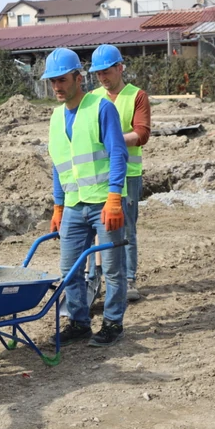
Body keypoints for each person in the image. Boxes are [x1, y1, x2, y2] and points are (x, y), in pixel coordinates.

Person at [44, 48, 129, 347]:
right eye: (53, 81)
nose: (57, 87)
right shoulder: (56, 117)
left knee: (113, 269)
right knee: (69, 270)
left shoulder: (101, 108)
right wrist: (57, 206)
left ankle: (112, 323)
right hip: (73, 204)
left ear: (78, 78)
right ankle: (79, 322)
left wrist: (115, 197)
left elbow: (118, 154)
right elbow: (59, 164)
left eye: (62, 80)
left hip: (104, 202)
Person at [89, 45, 151, 301]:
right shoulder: (92, 97)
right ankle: (93, 278)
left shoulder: (136, 96)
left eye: (106, 72)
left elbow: (142, 133)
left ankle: (128, 279)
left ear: (120, 68)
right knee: (96, 228)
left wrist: (113, 140)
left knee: (126, 228)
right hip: (99, 173)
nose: (102, 77)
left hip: (129, 173)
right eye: (98, 73)